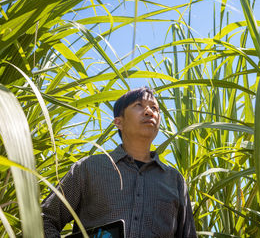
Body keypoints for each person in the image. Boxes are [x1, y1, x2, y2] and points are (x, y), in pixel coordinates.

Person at [42, 87, 197, 238]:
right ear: (119, 122)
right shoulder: (88, 168)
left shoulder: (174, 180)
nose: (150, 112)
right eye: (139, 105)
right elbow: (44, 219)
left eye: (155, 108)